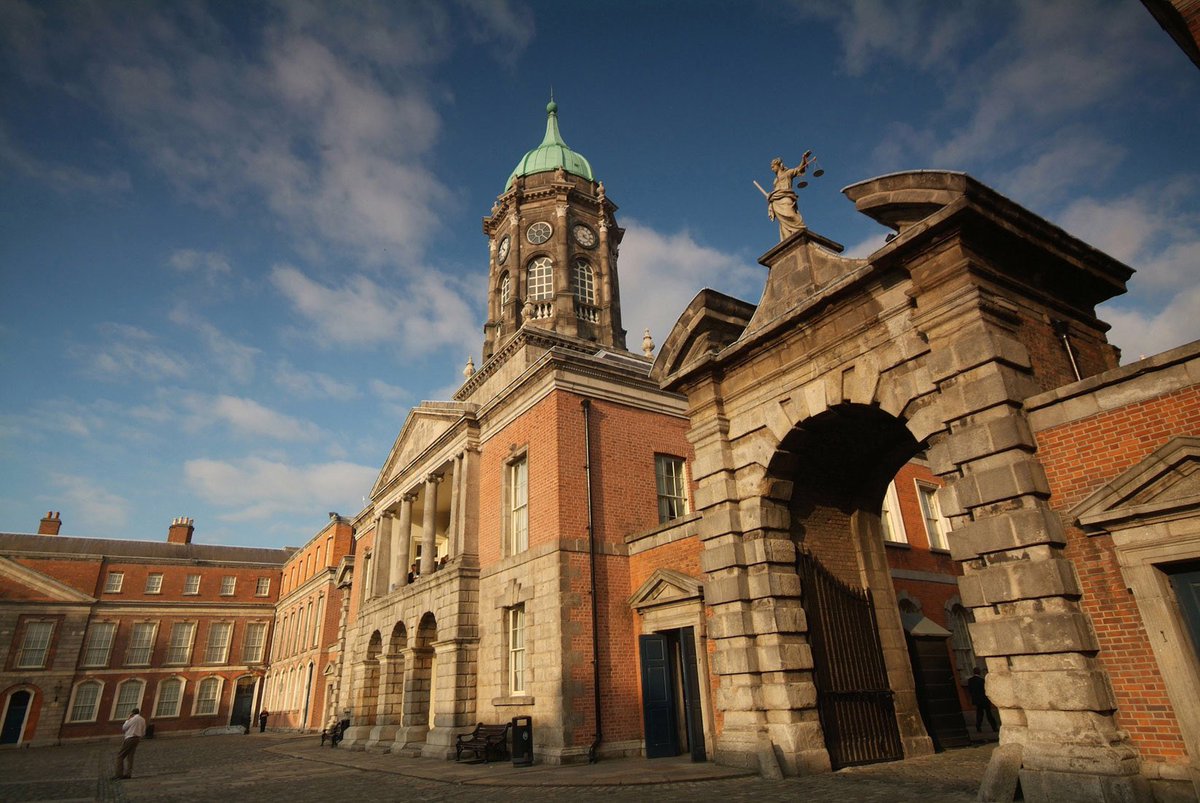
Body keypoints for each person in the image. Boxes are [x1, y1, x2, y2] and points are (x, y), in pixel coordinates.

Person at [766, 152, 814, 240]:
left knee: (792, 215)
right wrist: (770, 196)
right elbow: (776, 190)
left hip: (786, 199)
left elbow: (799, 169)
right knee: (783, 225)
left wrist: (803, 159)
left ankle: (801, 234)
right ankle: (787, 242)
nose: (772, 168)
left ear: (779, 165)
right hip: (777, 202)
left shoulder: (788, 173)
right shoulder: (775, 180)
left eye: (773, 166)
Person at [112, 707, 146, 780]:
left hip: (130, 738)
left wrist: (127, 719)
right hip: (137, 738)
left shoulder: (132, 719)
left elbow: (124, 728)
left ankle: (118, 774)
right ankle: (128, 774)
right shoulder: (143, 719)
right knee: (130, 756)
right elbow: (143, 732)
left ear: (132, 713)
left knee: (120, 756)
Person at [967, 667, 998, 733]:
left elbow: (970, 691)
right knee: (989, 714)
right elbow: (986, 690)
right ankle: (994, 727)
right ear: (979, 672)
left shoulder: (970, 680)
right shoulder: (982, 680)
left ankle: (978, 727)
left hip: (977, 700)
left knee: (979, 714)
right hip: (984, 699)